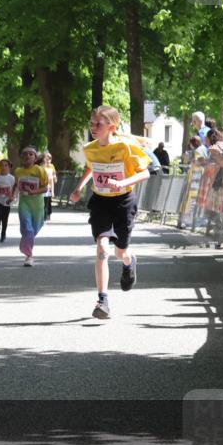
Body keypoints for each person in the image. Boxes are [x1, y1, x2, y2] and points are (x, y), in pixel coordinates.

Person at [70, 105, 150, 319]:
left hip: (123, 202)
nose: (93, 127)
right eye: (91, 123)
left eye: (99, 124)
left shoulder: (125, 147)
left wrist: (122, 182)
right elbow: (91, 167)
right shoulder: (90, 148)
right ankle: (102, 300)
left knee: (120, 253)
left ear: (112, 127)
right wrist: (78, 188)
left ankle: (129, 262)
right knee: (102, 248)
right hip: (101, 201)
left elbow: (145, 174)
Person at [13, 146, 49, 266]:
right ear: (21, 158)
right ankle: (29, 255)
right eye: (24, 154)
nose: (27, 156)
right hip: (24, 203)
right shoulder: (18, 171)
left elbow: (45, 188)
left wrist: (34, 191)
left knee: (35, 228)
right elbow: (16, 185)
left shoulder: (39, 170)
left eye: (30, 154)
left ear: (35, 158)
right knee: (28, 229)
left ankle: (26, 240)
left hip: (37, 204)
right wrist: (12, 196)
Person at [0, 159, 15, 242]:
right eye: (1, 165)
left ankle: (3, 233)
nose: (3, 167)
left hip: (7, 200)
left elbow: (14, 188)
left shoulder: (11, 178)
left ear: (9, 167)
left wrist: (12, 196)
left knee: (5, 218)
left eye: (5, 165)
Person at [40, 151, 57, 220]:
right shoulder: (40, 167)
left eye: (49, 158)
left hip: (48, 187)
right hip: (42, 188)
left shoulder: (51, 167)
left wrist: (54, 177)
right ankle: (43, 215)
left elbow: (53, 177)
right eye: (46, 158)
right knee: (43, 202)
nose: (48, 160)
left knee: (48, 202)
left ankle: (48, 214)